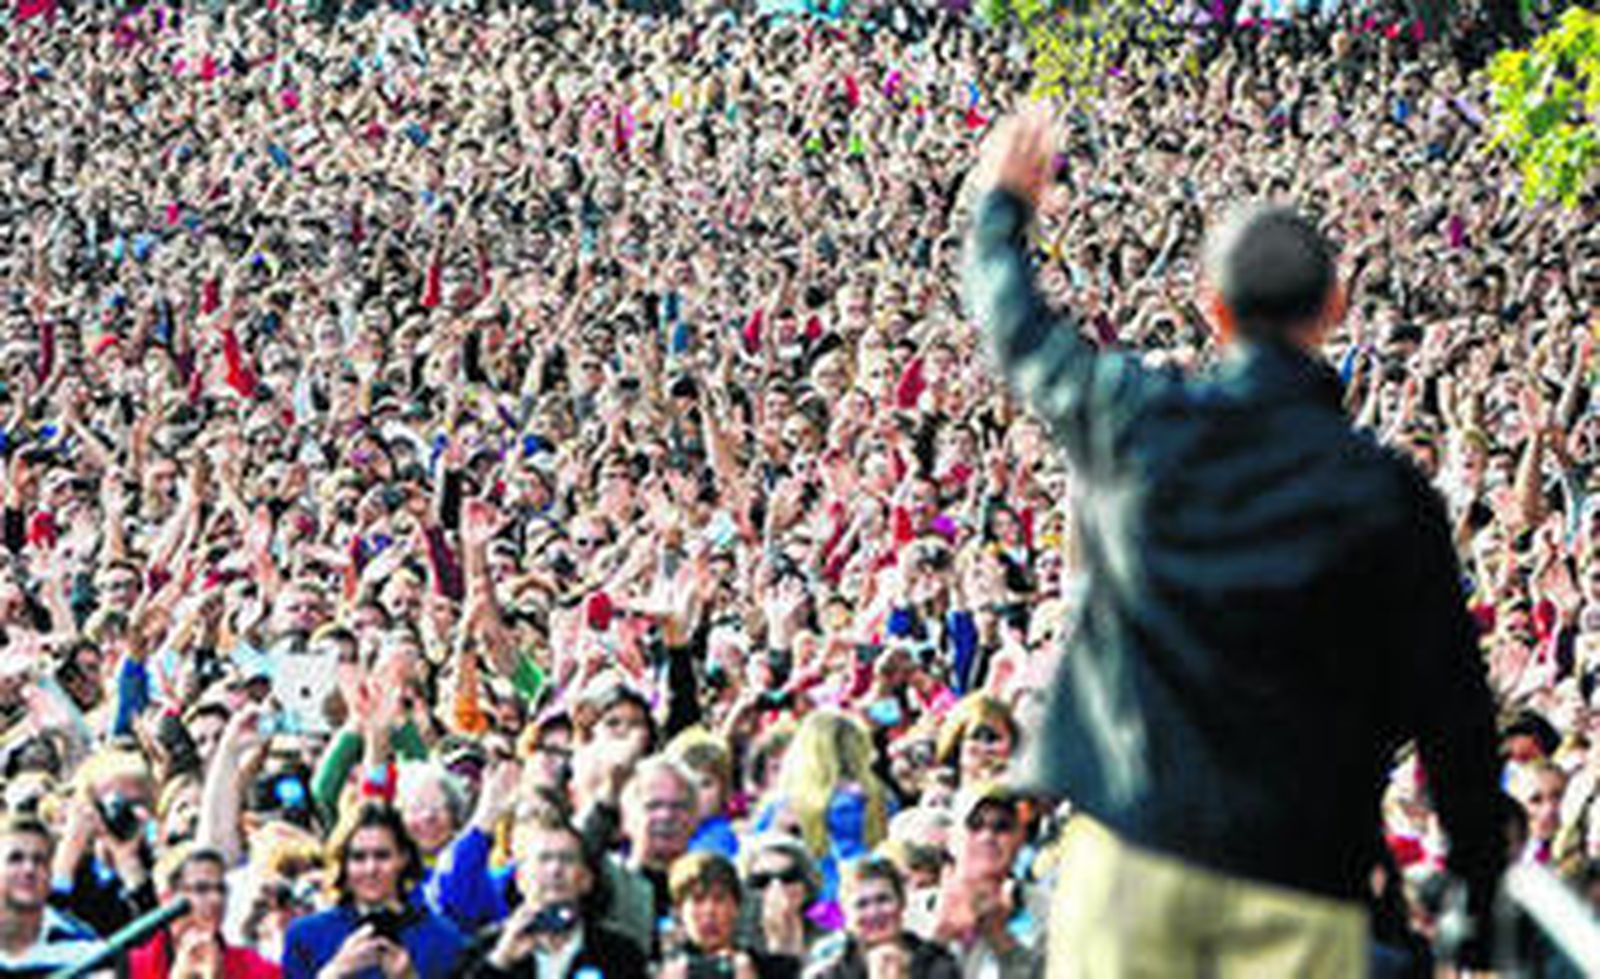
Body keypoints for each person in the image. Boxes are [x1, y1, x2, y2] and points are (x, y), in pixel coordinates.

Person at [964, 106, 1506, 974]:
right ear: (1334, 306)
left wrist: (1001, 204)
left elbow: (1016, 329)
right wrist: (1478, 885)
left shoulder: (1134, 420)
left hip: (1130, 859)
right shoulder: (1387, 492)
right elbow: (1454, 708)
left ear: (1213, 309)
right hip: (1299, 879)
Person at [281, 802, 465, 979]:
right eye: (358, 857)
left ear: (403, 858)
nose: (371, 869)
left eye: (382, 856)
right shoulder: (305, 934)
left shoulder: (442, 937)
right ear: (343, 864)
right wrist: (336, 971)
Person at [466, 809, 648, 979]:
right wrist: (500, 962)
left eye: (567, 859)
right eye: (544, 859)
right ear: (521, 879)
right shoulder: (488, 947)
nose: (555, 870)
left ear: (586, 879)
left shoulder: (619, 953)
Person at [128, 844, 281, 978]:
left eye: (221, 890)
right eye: (201, 889)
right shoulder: (133, 965)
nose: (216, 899)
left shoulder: (256, 968)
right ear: (167, 898)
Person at [804, 856, 960, 979]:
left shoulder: (940, 966)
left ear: (902, 902)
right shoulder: (827, 974)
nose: (874, 912)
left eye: (883, 899)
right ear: (846, 913)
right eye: (862, 904)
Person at [661, 852, 800, 979]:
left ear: (736, 907)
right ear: (679, 910)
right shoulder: (662, 964)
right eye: (698, 900)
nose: (709, 911)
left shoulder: (768, 967)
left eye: (719, 899)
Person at [0, 816, 103, 978]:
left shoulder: (82, 947)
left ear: (50, 873)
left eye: (39, 861)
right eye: (15, 859)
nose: (29, 869)